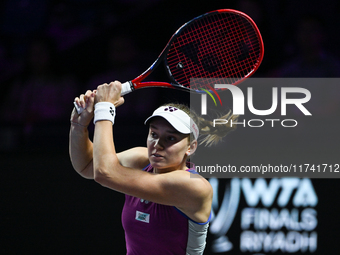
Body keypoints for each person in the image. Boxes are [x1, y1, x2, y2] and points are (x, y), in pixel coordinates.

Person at [69, 81, 237, 254]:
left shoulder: (194, 186)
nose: (158, 145)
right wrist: (78, 125)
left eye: (170, 138)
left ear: (191, 147)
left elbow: (104, 173)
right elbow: (88, 165)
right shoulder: (141, 159)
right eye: (154, 134)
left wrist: (104, 109)